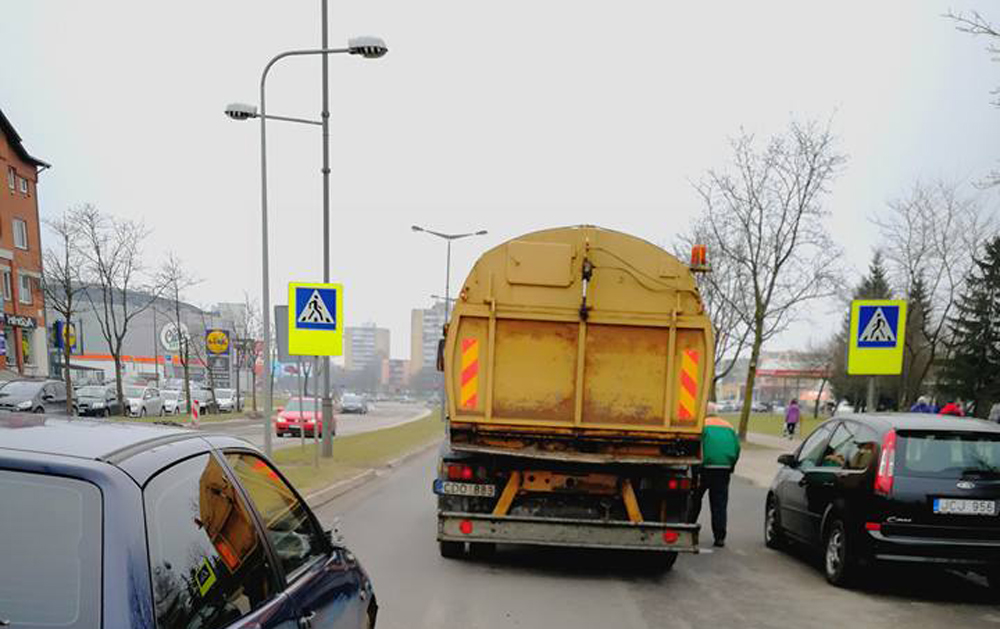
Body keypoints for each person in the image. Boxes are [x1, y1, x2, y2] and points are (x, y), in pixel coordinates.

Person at [690, 403, 741, 548]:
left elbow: (696, 446)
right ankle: (720, 537)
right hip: (723, 468)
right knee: (719, 504)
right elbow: (737, 448)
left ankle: (690, 529)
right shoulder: (729, 427)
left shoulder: (701, 426)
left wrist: (695, 468)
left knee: (694, 500)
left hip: (704, 468)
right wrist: (731, 466)